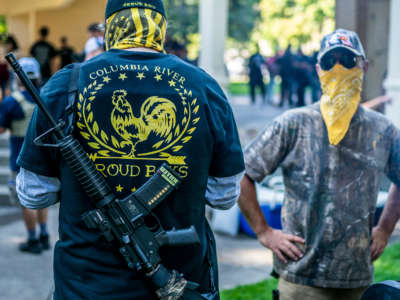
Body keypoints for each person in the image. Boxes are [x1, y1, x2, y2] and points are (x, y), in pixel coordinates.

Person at [16, 0, 245, 299]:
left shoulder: (67, 84)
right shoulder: (203, 86)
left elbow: (34, 195)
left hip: (86, 286)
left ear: (110, 28)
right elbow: (224, 196)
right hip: (183, 282)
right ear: (161, 28)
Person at [238, 28, 400, 300]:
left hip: (356, 280)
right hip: (301, 281)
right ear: (318, 69)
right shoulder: (293, 124)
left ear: (364, 66)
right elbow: (243, 173)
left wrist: (384, 228)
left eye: (348, 61)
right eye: (329, 62)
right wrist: (264, 232)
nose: (339, 69)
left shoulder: (382, 130)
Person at [0, 57, 50, 254]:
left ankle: (32, 240)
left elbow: (2, 129)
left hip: (19, 160)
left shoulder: (11, 101)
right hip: (43, 158)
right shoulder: (46, 97)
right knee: (41, 197)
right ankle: (44, 235)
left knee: (25, 200)